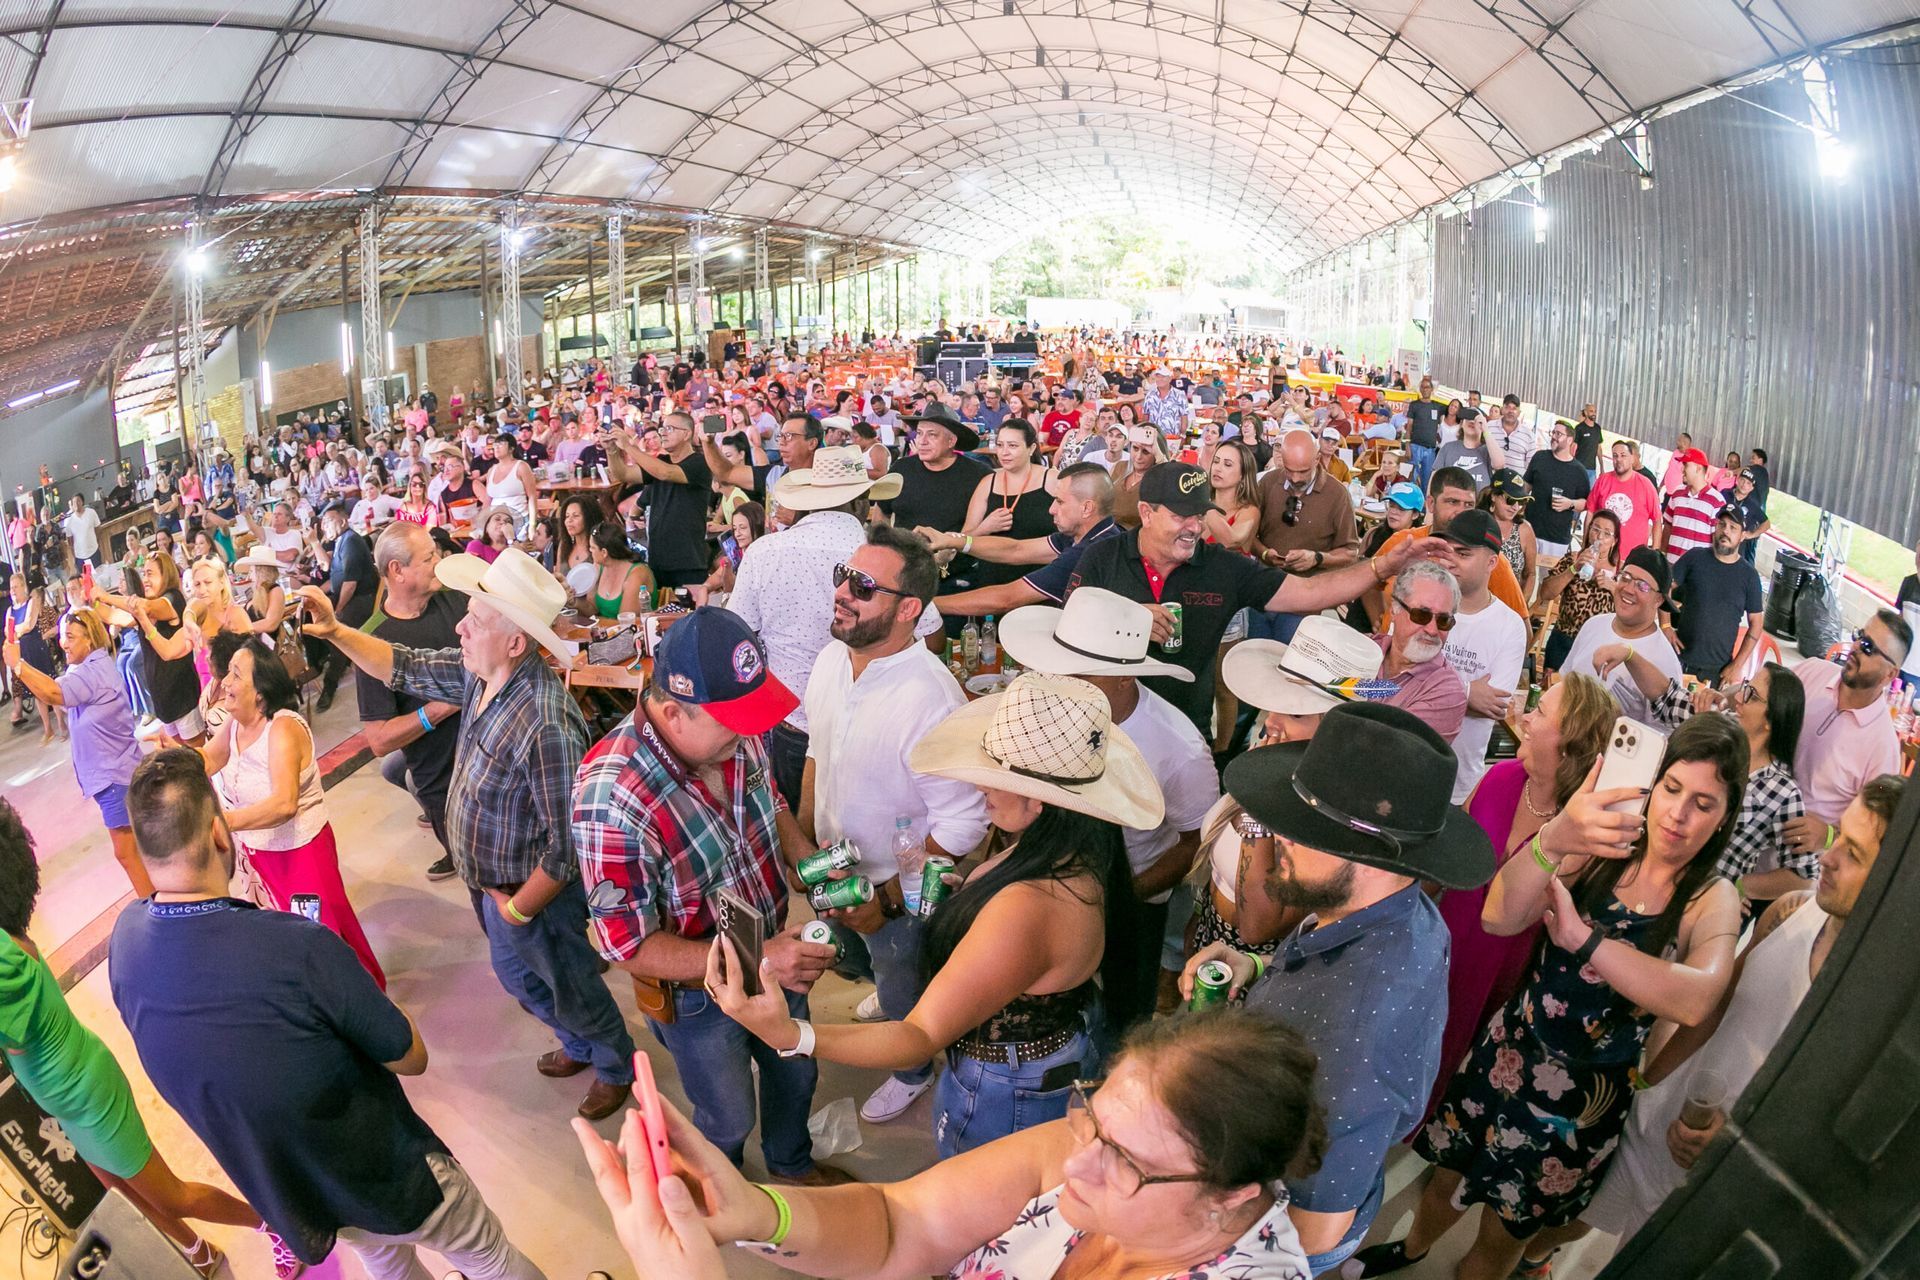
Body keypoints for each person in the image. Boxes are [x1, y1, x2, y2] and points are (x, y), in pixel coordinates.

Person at [113, 751, 546, 1280]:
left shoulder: (126, 944)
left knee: (386, 1261)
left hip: (303, 1198)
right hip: (385, 1172)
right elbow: (411, 1056)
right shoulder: (297, 948)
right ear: (220, 834)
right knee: (486, 1255)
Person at [711, 670, 1163, 1157]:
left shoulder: (1030, 903)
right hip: (1051, 1052)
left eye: (992, 775)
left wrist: (789, 1033)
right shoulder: (1075, 848)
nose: (976, 783)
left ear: (1038, 801)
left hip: (1006, 1090)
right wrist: (961, 903)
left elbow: (918, 1035)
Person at [1368, 716, 1747, 1280]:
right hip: (1509, 1048)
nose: (1678, 814)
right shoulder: (1609, 844)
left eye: (1703, 803)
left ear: (1723, 818)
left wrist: (1584, 941)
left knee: (1504, 1236)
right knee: (1446, 1179)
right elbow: (1499, 916)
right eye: (1671, 789)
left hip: (1578, 1105)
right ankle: (1412, 1250)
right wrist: (1553, 839)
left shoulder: (1709, 896)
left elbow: (1697, 1000)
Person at [574, 1009, 1322, 1280]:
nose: (1076, 1162)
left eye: (1127, 1162)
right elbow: (907, 1224)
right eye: (1092, 1117)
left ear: (1233, 1198)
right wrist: (755, 1214)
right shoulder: (1085, 1156)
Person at [295, 549, 637, 1119]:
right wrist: (335, 632)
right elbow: (399, 664)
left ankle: (613, 1063)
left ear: (515, 642)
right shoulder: (476, 674)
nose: (459, 625)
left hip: (530, 900)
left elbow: (565, 847)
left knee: (569, 985)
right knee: (521, 980)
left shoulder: (546, 721)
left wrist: (519, 911)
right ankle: (581, 1046)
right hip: (491, 884)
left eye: (475, 619)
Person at [1181, 703, 1497, 1272]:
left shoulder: (1355, 1038)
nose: (1281, 836)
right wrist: (1253, 966)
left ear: (1371, 855)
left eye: (1309, 829)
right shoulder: (1394, 911)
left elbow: (1311, 1234)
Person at [1562, 777, 1904, 1258]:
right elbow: (1713, 1009)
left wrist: (1741, 1145)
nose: (1828, 856)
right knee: (1567, 1223)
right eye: (1839, 837)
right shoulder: (1790, 911)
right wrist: (1649, 1083)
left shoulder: (1880, 1008)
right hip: (1662, 1124)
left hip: (1721, 1183)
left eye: (1855, 853)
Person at [570, 608, 850, 1185]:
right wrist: (761, 958)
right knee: (727, 1113)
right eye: (734, 724)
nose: (750, 736)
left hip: (771, 955)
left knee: (795, 1072)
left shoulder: (732, 739)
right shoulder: (613, 800)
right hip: (700, 995)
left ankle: (792, 1166)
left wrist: (814, 868)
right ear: (672, 711)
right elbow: (629, 946)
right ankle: (723, 1195)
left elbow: (768, 803)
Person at [0, 798, 274, 1279]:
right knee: (120, 1195)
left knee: (173, 1194)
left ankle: (274, 1225)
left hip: (88, 1096)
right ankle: (197, 1251)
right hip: (65, 1099)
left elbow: (15, 1044)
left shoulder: (4, 961)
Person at [797, 526, 991, 1122]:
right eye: (842, 576)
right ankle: (883, 989)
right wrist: (805, 838)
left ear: (909, 609)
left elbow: (962, 823)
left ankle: (912, 1068)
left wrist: (886, 899)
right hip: (836, 869)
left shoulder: (930, 698)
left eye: (862, 586)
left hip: (896, 890)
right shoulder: (832, 657)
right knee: (862, 959)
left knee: (903, 971)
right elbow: (815, 748)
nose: (842, 593)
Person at [1065, 461, 1448, 738]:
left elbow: (1309, 592)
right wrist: (1125, 622)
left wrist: (1381, 567)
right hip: (1101, 724)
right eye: (1182, 516)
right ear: (1146, 513)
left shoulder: (1224, 567)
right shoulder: (1103, 556)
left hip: (1183, 728)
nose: (1195, 527)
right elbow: (1066, 633)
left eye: (1200, 515)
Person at [999, 590, 1219, 1049]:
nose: (1060, 679)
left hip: (1133, 893)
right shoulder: (1047, 700)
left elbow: (1197, 838)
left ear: (1123, 678)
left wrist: (1126, 896)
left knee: (1123, 1012)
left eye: (1078, 672)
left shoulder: (1177, 748)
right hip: (1043, 874)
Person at [1418, 674, 1618, 1130]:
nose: (1524, 718)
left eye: (1541, 711)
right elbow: (1446, 860)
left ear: (1570, 744)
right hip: (1442, 942)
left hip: (1502, 972)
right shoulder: (1499, 776)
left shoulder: (1582, 832)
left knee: (1454, 1067)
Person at [163, 634, 385, 984]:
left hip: (301, 854)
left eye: (236, 675)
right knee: (305, 936)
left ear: (261, 693)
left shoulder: (282, 728)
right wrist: (173, 758)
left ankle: (361, 999)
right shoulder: (236, 724)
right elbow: (209, 758)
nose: (225, 682)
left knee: (321, 936)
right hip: (265, 854)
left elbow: (285, 804)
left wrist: (223, 823)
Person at [729, 446, 922, 807]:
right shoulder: (886, 556)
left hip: (793, 719)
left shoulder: (764, 551)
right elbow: (929, 632)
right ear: (863, 502)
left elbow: (739, 634)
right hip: (876, 724)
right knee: (868, 835)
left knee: (801, 835)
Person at [1595, 647, 1811, 906]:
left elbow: (1803, 875)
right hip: (1647, 876)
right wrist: (1629, 654)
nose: (1739, 698)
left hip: (1699, 904)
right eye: (1745, 686)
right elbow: (1667, 698)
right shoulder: (1713, 722)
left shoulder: (1783, 792)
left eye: (1751, 695)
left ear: (1772, 720)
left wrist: (1735, 888)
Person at [4, 606, 152, 896]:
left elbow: (53, 694)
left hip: (114, 777)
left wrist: (18, 665)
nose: (63, 643)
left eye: (70, 636)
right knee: (137, 846)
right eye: (62, 636)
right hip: (117, 772)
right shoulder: (88, 667)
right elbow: (55, 691)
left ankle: (156, 907)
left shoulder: (93, 672)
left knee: (126, 851)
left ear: (90, 639)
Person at [356, 522, 465, 882]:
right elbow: (379, 740)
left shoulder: (456, 598)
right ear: (397, 570)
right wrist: (439, 707)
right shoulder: (373, 640)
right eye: (428, 557)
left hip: (496, 764)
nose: (439, 561)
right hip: (444, 784)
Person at [1780, 611, 1909, 857]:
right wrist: (1724, 698)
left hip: (1797, 870)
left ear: (1890, 674)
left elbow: (1873, 835)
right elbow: (1759, 690)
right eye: (1860, 636)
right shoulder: (1812, 672)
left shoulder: (1883, 749)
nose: (1856, 648)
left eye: (1869, 647)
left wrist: (1828, 835)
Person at [920, 462, 1122, 616]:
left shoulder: (1091, 550)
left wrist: (925, 605)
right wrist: (955, 540)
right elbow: (1015, 550)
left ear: (1087, 508)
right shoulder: (1086, 534)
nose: (1051, 509)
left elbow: (1006, 598)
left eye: (1060, 501)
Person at [1430, 510, 1529, 802]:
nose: (1450, 561)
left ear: (1491, 562)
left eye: (1462, 553)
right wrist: (1468, 692)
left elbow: (1493, 706)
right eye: (1447, 551)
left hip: (1459, 784)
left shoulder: (1510, 627)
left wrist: (1425, 683)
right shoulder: (1423, 602)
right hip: (1401, 760)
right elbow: (1394, 678)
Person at [1371, 468, 1531, 622]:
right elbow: (1368, 579)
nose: (1461, 512)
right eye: (1452, 502)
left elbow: (1521, 624)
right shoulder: (1404, 541)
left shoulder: (1488, 559)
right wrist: (1376, 622)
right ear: (1431, 503)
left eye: (1468, 505)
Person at [1557, 544, 1683, 728]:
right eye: (1626, 577)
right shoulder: (1594, 624)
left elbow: (1663, 738)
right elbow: (1565, 683)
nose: (1629, 589)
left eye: (1643, 586)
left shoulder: (1664, 661)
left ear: (1659, 600)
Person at [95, 552, 205, 744]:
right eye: (143, 574)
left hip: (183, 697)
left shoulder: (173, 599)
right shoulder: (146, 607)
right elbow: (114, 617)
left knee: (198, 755)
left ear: (166, 575)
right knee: (181, 762)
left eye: (150, 574)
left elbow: (146, 607)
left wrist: (104, 595)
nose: (145, 579)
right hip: (164, 701)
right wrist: (92, 599)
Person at [1375, 559, 1470, 742]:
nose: (1432, 630)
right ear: (1394, 610)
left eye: (1444, 621)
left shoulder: (1447, 693)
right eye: (1421, 615)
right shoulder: (1362, 648)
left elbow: (1385, 750)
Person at [1669, 507, 1765, 683]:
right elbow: (1665, 587)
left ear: (1742, 535)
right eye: (1722, 524)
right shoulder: (1695, 557)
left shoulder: (1749, 576)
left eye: (1733, 527)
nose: (1725, 531)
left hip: (1717, 670)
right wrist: (1666, 626)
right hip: (1678, 659)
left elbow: (1756, 624)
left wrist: (1736, 665)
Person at [963, 421, 1057, 590]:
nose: (1004, 452)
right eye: (1000, 445)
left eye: (1012, 445)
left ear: (1031, 448)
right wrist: (984, 528)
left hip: (1040, 580)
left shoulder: (1051, 479)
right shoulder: (988, 483)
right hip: (993, 579)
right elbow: (964, 538)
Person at [1536, 507, 1623, 673]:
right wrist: (1574, 569)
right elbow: (1545, 593)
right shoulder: (1574, 558)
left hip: (1597, 647)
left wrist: (1613, 588)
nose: (1599, 537)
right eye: (1595, 529)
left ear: (1614, 541)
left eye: (1606, 533)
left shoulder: (1621, 572)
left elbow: (1629, 614)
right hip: (1564, 639)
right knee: (1552, 691)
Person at [317, 502, 377, 710]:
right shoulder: (341, 541)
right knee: (313, 619)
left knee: (338, 632)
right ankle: (331, 662)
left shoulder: (351, 541)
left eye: (329, 522)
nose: (325, 527)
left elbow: (350, 584)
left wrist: (338, 608)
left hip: (362, 598)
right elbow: (332, 574)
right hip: (345, 595)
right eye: (323, 523)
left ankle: (329, 685)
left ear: (343, 521)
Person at [1522, 420, 1592, 579]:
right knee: (1521, 577)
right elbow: (1526, 487)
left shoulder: (1578, 471)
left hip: (1556, 538)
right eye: (1553, 433)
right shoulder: (1540, 457)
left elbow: (1586, 503)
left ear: (1569, 440)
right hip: (1529, 530)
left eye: (1558, 434)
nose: (1553, 437)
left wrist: (1570, 504)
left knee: (1546, 583)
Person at [5, 572, 61, 741]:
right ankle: (48, 729)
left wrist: (16, 630)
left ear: (23, 587)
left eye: (16, 587)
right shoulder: (9, 610)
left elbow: (29, 624)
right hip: (24, 653)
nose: (13, 591)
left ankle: (61, 723)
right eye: (11, 587)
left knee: (49, 686)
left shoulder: (32, 602)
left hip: (37, 648)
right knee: (37, 692)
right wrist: (17, 631)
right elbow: (8, 632)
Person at [1588, 438, 1661, 556]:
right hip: (1602, 554)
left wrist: (1655, 554)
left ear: (1632, 458)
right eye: (1615, 456)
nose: (1619, 460)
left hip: (1632, 557)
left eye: (1623, 455)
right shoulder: (1603, 480)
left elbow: (1657, 520)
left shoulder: (1646, 485)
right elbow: (1590, 512)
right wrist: (1585, 545)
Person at [1659, 446, 1726, 563]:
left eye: (1686, 465)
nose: (1682, 469)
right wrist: (1662, 554)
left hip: (1698, 569)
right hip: (1671, 564)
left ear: (1698, 468)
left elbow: (1717, 539)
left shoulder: (1717, 501)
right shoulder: (1677, 493)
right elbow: (1668, 526)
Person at [1482, 469, 1536, 597]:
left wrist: (1521, 608)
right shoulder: (1477, 524)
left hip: (1510, 605)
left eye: (1521, 501)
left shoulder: (1524, 529)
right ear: (1494, 496)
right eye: (1511, 500)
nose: (1516, 507)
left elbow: (1530, 574)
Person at [483, 433, 538, 536]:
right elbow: (487, 500)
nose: (497, 447)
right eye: (495, 445)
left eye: (501, 444)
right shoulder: (491, 470)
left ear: (511, 448)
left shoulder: (521, 466)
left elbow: (532, 496)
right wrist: (482, 523)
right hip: (496, 522)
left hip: (519, 519)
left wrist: (532, 524)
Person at [1434, 413, 1505, 490]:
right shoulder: (1448, 448)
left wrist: (1486, 430)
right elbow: (1434, 477)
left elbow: (1499, 465)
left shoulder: (1489, 450)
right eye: (1468, 418)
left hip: (1479, 501)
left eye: (1477, 421)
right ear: (1461, 424)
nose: (1472, 422)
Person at [1720, 467, 1771, 565]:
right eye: (1742, 480)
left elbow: (1766, 523)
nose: (1744, 485)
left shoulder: (1753, 505)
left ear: (1752, 488)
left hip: (1737, 550)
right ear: (1737, 481)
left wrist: (1751, 534)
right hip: (1719, 541)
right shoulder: (1724, 494)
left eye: (1748, 483)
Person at [1404, 375, 1443, 490]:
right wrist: (1407, 446)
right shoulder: (1414, 405)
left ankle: (1424, 507)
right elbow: (1409, 427)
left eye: (1427, 387)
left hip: (1430, 449)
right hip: (1415, 446)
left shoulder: (1438, 406)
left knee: (1427, 481)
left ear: (1432, 389)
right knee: (1411, 478)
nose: (1425, 389)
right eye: (1423, 387)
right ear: (1420, 389)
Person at [63, 493, 103, 568]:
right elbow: (70, 542)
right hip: (81, 558)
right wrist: (74, 557)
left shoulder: (91, 512)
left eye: (78, 501)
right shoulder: (69, 521)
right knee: (87, 578)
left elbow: (98, 529)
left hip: (94, 552)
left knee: (98, 575)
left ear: (82, 502)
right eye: (74, 502)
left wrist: (94, 541)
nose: (76, 504)